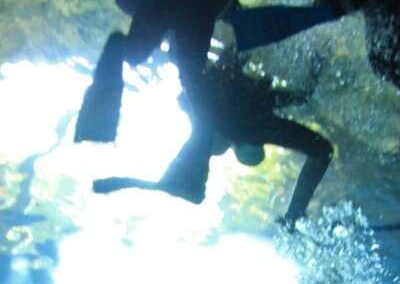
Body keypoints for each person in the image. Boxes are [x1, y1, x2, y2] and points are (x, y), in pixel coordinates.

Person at [225, 0, 400, 200]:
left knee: (381, 62)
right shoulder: (250, 106)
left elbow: (304, 102)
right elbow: (301, 96)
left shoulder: (251, 109)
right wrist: (317, 65)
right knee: (365, 45)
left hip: (392, 0)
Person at [92, 57, 333, 226]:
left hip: (221, 95)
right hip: (216, 94)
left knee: (204, 137)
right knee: (204, 132)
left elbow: (304, 100)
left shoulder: (249, 127)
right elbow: (185, 99)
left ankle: (295, 214)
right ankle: (295, 214)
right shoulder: (240, 125)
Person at [75, 0, 239, 144]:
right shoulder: (193, 31)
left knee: (140, 56)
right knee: (189, 73)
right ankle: (98, 119)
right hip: (190, 6)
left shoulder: (183, 26)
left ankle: (99, 120)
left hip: (172, 4)